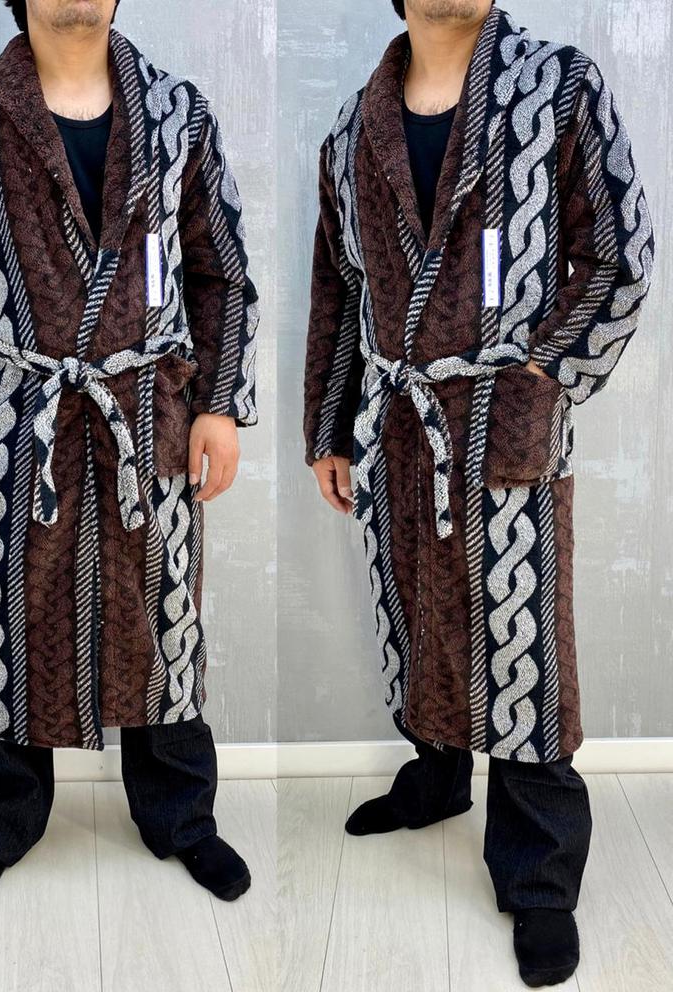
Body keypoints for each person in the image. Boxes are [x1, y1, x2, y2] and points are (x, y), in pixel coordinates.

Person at [302, 0, 653, 986]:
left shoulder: (558, 88)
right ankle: (438, 773)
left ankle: (539, 871)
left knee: (522, 632)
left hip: (506, 415)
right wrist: (329, 427)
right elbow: (340, 290)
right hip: (393, 423)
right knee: (411, 609)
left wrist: (542, 376)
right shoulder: (351, 130)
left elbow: (619, 254)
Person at [0, 0, 259, 907]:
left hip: (149, 413)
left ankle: (182, 818)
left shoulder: (177, 113)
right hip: (17, 416)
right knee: (9, 613)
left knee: (162, 618)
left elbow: (219, 271)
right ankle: (3, 821)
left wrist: (220, 404)